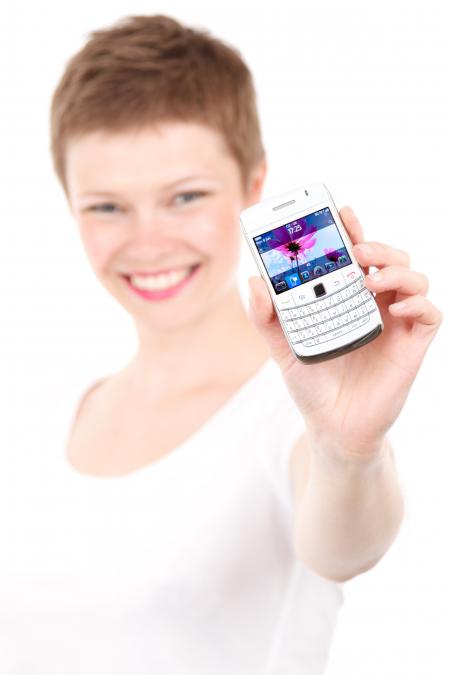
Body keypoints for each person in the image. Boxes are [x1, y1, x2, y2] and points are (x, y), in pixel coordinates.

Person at [1, 13, 442, 675]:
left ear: (253, 186)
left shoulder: (292, 416)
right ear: (68, 203)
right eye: (106, 206)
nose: (148, 241)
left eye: (184, 196)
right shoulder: (34, 416)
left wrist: (350, 449)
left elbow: (345, 546)